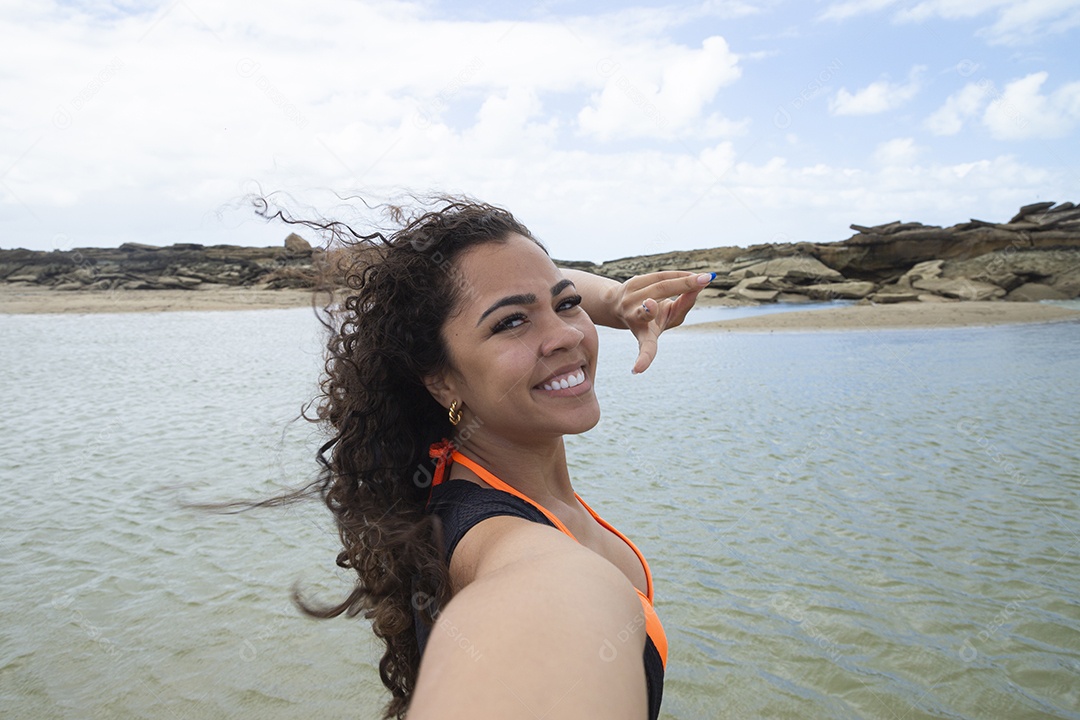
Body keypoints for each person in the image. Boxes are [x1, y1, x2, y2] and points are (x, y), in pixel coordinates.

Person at [285, 197, 710, 719]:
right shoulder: (521, 557)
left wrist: (615, 298)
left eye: (566, 303)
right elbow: (548, 611)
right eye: (511, 323)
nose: (567, 334)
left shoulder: (461, 477)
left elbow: (531, 286)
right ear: (441, 380)